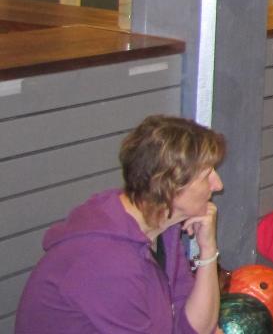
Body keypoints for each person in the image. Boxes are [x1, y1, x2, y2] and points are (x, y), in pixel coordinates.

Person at [17, 116, 225, 334]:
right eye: (206, 176)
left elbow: (195, 328)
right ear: (168, 186)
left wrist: (208, 249)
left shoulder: (163, 228)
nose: (218, 185)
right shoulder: (104, 260)